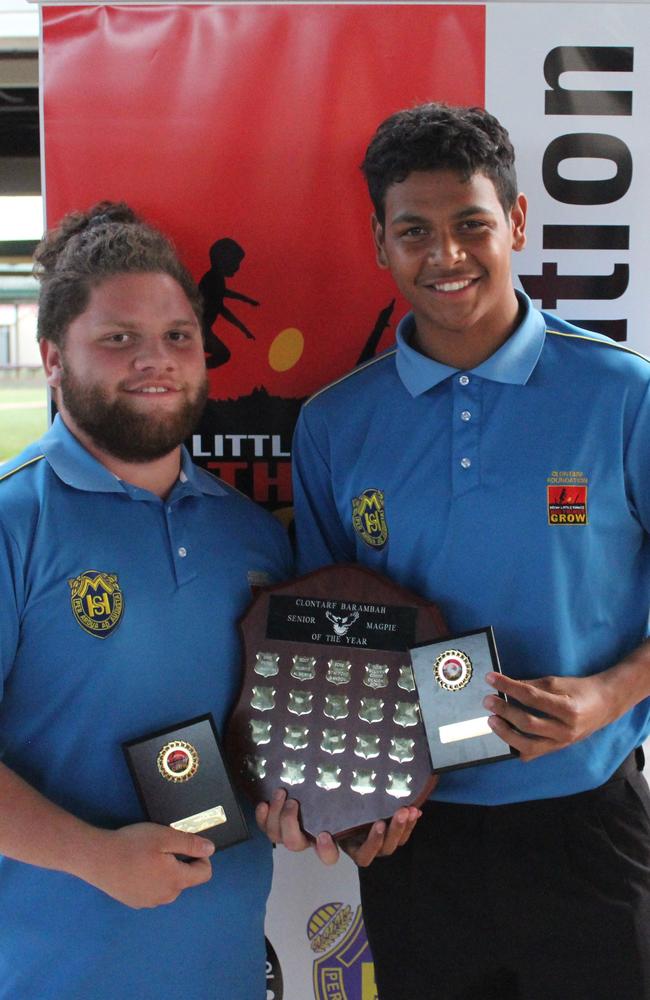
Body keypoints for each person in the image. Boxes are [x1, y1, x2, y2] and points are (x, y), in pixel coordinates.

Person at [282, 104, 650, 999]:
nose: (444, 256)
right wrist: (349, 794)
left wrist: (609, 693)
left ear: (516, 223)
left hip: (585, 821)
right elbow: (327, 644)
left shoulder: (621, 394)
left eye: (470, 225)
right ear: (380, 241)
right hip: (417, 833)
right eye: (414, 231)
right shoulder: (335, 425)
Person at [0, 202, 292, 999]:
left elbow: (267, 742)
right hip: (53, 975)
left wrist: (309, 801)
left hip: (225, 970)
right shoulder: (15, 523)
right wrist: (92, 855)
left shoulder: (254, 539)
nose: (154, 360)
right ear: (54, 358)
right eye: (118, 338)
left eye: (176, 336)